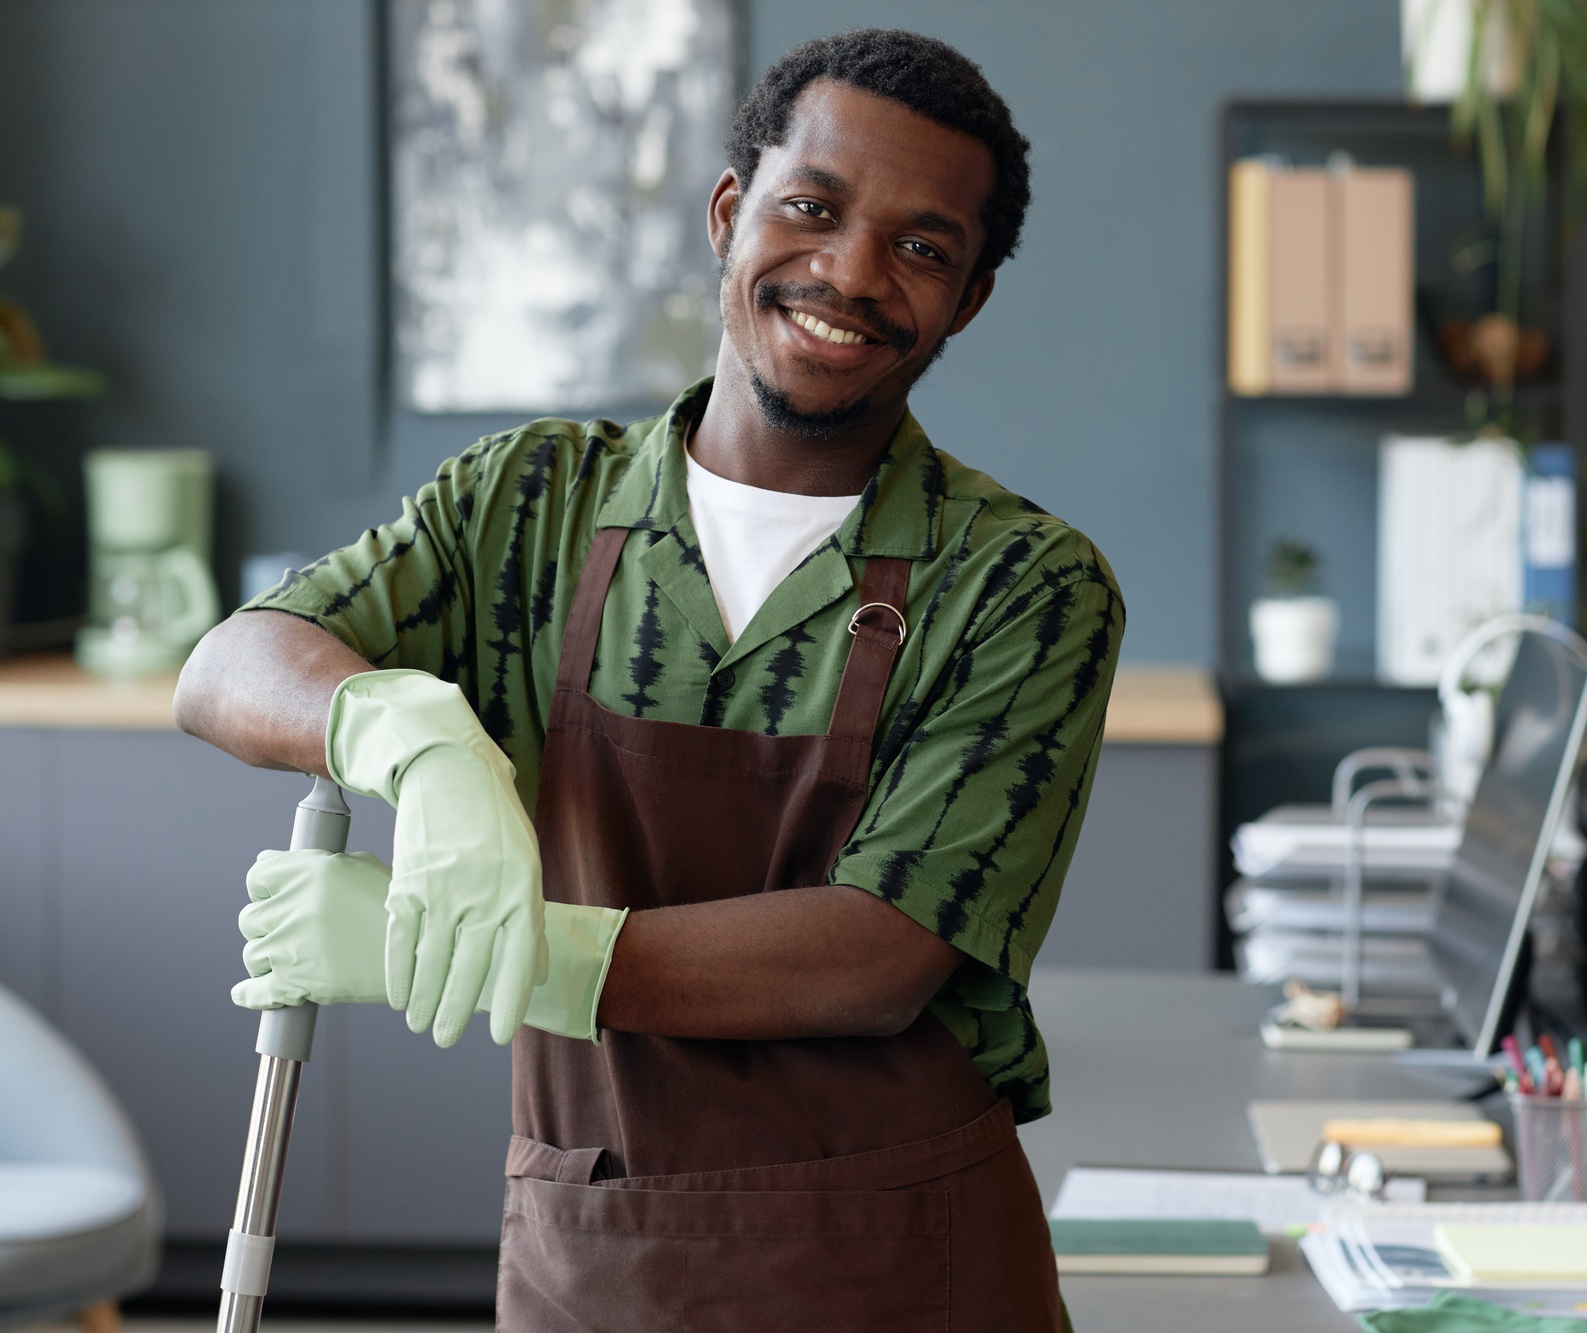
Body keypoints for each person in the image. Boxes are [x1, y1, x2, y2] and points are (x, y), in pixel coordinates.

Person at [175, 28, 1121, 1331]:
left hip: (910, 1271)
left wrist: (465, 952)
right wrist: (408, 731)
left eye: (921, 247)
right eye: (813, 207)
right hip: (599, 1262)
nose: (849, 271)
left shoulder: (1022, 583)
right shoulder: (531, 504)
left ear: (966, 301)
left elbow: (876, 953)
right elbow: (230, 662)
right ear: (731, 214)